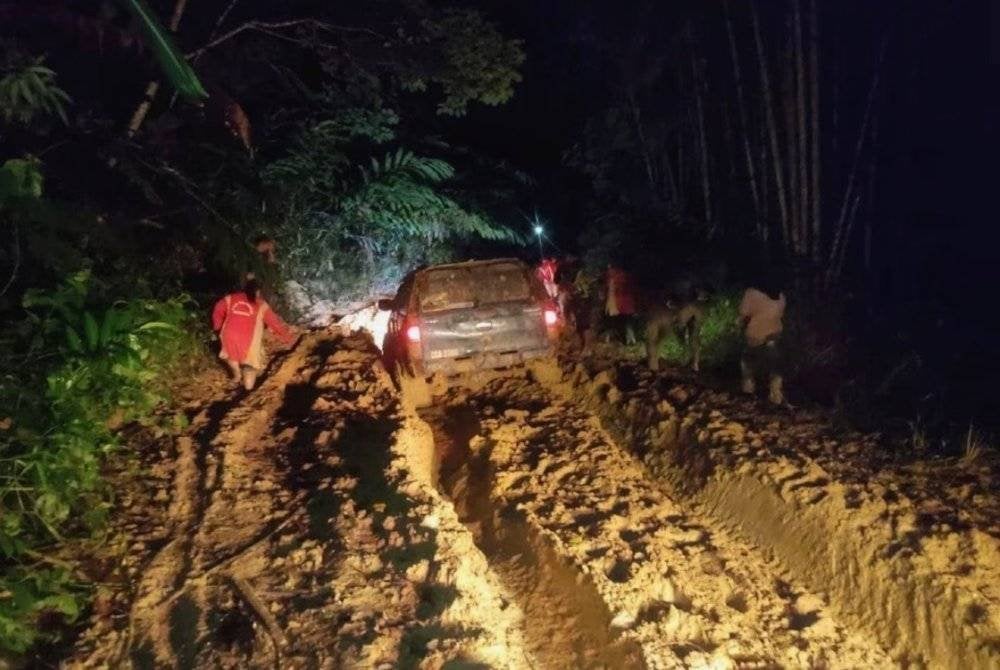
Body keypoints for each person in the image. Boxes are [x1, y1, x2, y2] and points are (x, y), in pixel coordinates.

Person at [212, 278, 296, 390]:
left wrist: (218, 326)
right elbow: (274, 323)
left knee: (231, 356)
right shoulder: (261, 304)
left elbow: (217, 308)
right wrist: (287, 338)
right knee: (249, 366)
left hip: (229, 335)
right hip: (248, 339)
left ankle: (236, 376)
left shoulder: (230, 298)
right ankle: (247, 392)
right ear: (257, 292)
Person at [738, 274, 787, 405]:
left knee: (748, 363)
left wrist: (739, 328)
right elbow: (780, 316)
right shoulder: (781, 297)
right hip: (774, 335)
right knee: (775, 366)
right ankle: (776, 395)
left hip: (755, 335)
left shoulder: (752, 294)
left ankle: (748, 392)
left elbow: (743, 314)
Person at [605, 263, 638, 345]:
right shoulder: (628, 276)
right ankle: (631, 340)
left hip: (618, 303)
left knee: (613, 323)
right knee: (627, 322)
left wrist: (609, 304)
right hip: (627, 303)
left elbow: (611, 291)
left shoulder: (613, 278)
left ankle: (611, 339)